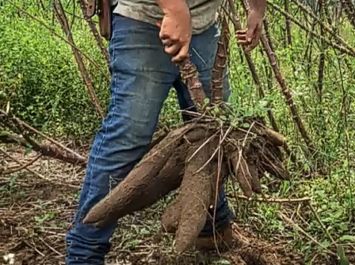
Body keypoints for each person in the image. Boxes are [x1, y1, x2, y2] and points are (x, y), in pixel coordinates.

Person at [65, 0, 266, 264]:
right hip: (144, 20)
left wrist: (257, 8)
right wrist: (173, 8)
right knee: (128, 138)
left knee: (214, 132)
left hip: (204, 24)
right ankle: (85, 253)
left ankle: (213, 225)